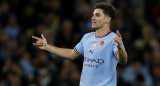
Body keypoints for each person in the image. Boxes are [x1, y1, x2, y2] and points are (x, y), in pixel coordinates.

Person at [32, 2, 128, 86]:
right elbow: (72, 54)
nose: (92, 18)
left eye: (97, 15)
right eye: (93, 15)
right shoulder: (87, 37)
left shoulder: (113, 39)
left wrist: (120, 47)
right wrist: (47, 46)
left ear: (107, 19)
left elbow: (123, 60)